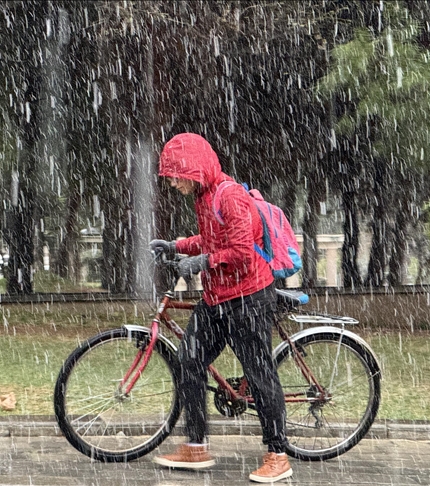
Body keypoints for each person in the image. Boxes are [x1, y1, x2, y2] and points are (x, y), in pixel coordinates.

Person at [149, 133, 292, 483]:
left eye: (176, 176)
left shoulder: (230, 196)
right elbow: (213, 239)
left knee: (259, 374)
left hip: (248, 298)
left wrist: (201, 262)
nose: (173, 183)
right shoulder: (205, 196)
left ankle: (278, 454)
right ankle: (196, 446)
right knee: (189, 359)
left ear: (194, 170)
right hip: (216, 299)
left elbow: (241, 252)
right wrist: (177, 246)